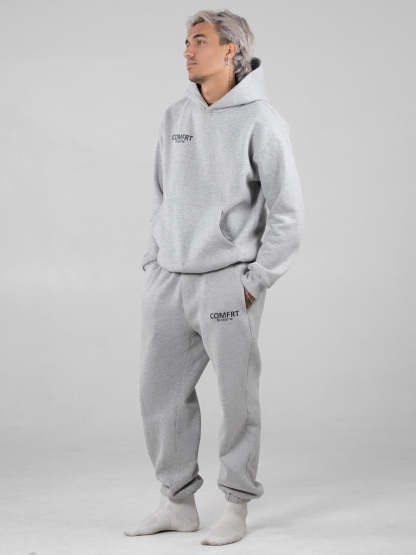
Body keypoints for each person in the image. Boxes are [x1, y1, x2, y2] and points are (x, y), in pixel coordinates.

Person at [124, 9, 305, 546]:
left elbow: (288, 213)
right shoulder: (174, 116)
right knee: (159, 396)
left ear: (231, 50)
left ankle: (236, 506)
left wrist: (255, 280)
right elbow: (161, 196)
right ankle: (177, 502)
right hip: (169, 280)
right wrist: (155, 259)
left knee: (236, 400)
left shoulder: (262, 121)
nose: (186, 51)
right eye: (186, 41)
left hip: (228, 281)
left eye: (199, 41)